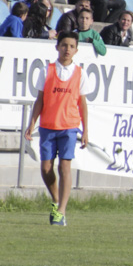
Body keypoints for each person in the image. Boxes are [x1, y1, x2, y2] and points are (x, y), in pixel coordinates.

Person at [23, 31, 91, 227]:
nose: (67, 49)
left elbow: (83, 104)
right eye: (64, 45)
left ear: (76, 50)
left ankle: (61, 211)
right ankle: (56, 199)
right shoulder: (47, 70)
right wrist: (32, 123)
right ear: (57, 47)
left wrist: (85, 130)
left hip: (69, 127)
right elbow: (40, 100)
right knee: (46, 169)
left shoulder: (80, 73)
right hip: (48, 126)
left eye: (71, 46)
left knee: (64, 166)